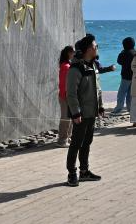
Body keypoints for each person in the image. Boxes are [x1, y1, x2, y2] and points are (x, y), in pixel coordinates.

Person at [65, 35, 102, 187]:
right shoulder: (76, 68)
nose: (97, 48)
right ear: (88, 49)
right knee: (76, 143)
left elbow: (97, 89)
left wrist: (100, 106)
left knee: (87, 142)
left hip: (91, 112)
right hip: (81, 114)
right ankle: (72, 173)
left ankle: (84, 171)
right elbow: (71, 93)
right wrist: (76, 112)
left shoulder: (92, 66)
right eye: (95, 46)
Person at [112, 37, 135, 115]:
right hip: (134, 76)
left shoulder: (124, 53)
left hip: (125, 76)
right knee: (130, 94)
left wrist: (122, 52)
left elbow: (119, 61)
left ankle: (118, 108)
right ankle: (130, 109)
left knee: (121, 93)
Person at [57, 46, 75, 147]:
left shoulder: (67, 64)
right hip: (65, 96)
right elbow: (64, 83)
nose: (74, 54)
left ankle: (67, 138)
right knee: (66, 118)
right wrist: (67, 96)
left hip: (67, 95)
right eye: (73, 52)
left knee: (70, 118)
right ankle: (62, 140)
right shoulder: (66, 66)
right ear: (69, 53)